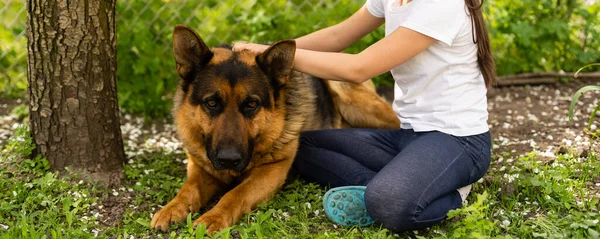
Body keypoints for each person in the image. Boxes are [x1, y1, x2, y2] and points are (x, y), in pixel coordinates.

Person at [233, 0, 494, 232]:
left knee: (389, 204)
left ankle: (454, 192)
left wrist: (262, 53)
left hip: (458, 141)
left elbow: (360, 68)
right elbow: (337, 37)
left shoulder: (441, 4)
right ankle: (385, 185)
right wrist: (268, 53)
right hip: (408, 137)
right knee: (302, 146)